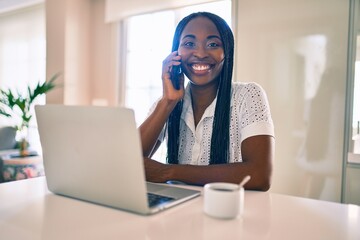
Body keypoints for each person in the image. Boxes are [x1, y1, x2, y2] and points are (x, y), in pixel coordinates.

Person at [139, 12, 275, 191]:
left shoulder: (247, 95)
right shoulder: (165, 104)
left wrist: (168, 172)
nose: (201, 53)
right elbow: (129, 165)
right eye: (189, 44)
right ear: (175, 53)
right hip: (178, 211)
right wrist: (167, 102)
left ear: (226, 52)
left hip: (231, 213)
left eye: (213, 44)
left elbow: (259, 175)